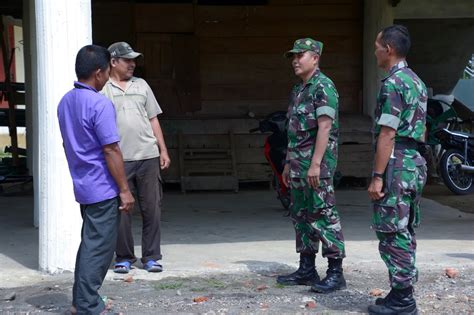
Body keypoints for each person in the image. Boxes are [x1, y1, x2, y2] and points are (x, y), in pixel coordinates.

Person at [57, 44, 134, 314]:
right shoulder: (99, 103)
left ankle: (82, 301)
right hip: (102, 186)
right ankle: (88, 305)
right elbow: (111, 149)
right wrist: (124, 189)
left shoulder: (66, 101)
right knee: (98, 249)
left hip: (83, 182)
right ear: (99, 73)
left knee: (90, 243)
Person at [276, 38, 346, 294]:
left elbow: (325, 127)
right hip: (297, 165)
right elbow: (294, 132)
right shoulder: (298, 90)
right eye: (292, 56)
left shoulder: (323, 87)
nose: (295, 60)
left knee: (324, 216)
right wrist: (287, 163)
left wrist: (316, 164)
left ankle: (335, 273)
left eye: (300, 55)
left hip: (317, 167)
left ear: (315, 57)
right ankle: (306, 268)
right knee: (301, 216)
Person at [367, 25, 427, 315]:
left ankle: (403, 299)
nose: (375, 51)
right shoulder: (415, 80)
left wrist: (378, 176)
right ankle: (400, 292)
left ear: (388, 49)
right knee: (405, 228)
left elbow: (387, 134)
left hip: (397, 163)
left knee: (392, 231)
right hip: (413, 160)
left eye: (377, 46)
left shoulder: (393, 84)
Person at [101, 42, 171, 274]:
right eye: (127, 60)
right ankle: (123, 257)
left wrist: (163, 149)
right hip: (119, 159)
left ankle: (151, 257)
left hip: (148, 156)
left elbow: (153, 119)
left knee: (152, 208)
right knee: (122, 209)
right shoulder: (104, 88)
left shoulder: (141, 85)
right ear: (113, 62)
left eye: (133, 60)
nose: (132, 64)